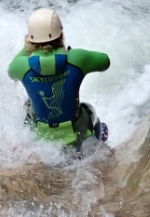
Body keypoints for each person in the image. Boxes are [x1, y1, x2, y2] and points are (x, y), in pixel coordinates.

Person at [7, 8, 110, 148]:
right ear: (61, 33)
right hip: (76, 133)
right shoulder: (77, 58)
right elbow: (105, 61)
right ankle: (98, 139)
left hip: (42, 137)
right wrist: (73, 54)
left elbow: (11, 71)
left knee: (27, 110)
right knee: (89, 108)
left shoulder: (22, 66)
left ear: (30, 38)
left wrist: (27, 47)